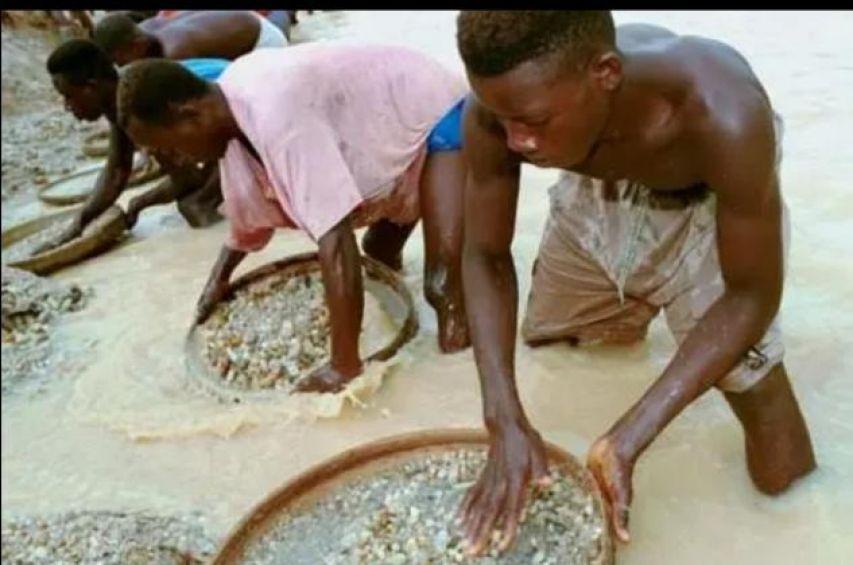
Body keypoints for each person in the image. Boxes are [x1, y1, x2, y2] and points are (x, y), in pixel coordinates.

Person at [454, 10, 816, 554]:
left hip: (707, 200)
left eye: (532, 121)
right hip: (595, 182)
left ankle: (796, 530)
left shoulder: (725, 116)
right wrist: (502, 417)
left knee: (761, 408)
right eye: (502, 119)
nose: (516, 141)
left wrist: (628, 437)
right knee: (558, 345)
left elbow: (752, 296)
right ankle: (629, 312)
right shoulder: (500, 111)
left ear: (605, 73)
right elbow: (484, 255)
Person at [115, 43, 473, 392]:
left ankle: (456, 383)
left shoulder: (276, 117)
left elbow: (335, 239)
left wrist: (343, 366)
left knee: (443, 288)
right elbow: (249, 215)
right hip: (384, 119)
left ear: (189, 114)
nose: (175, 160)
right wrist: (219, 278)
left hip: (434, 107)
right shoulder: (230, 111)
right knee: (377, 251)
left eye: (169, 148)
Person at [40, 40, 230, 252]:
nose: (67, 106)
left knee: (197, 207)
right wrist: (80, 222)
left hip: (232, 110)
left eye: (68, 96)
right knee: (195, 200)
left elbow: (188, 179)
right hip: (221, 110)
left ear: (91, 88)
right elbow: (117, 171)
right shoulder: (118, 96)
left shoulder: (139, 98)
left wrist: (141, 201)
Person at [93, 10, 287, 67]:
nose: (122, 66)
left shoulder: (177, 52)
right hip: (243, 21)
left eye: (121, 61)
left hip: (263, 40)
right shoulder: (144, 29)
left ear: (137, 47)